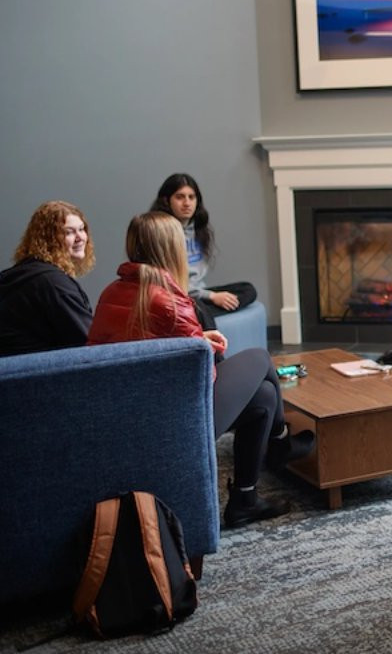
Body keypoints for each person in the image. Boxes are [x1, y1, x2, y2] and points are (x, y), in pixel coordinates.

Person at [88, 212, 314, 529]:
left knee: (264, 397)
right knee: (260, 359)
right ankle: (281, 441)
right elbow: (204, 374)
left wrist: (198, 341)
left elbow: (151, 348)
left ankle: (245, 501)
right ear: (170, 249)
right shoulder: (168, 301)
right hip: (175, 421)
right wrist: (205, 348)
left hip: (131, 415)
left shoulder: (112, 292)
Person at [0, 201, 95, 358]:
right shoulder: (52, 283)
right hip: (23, 373)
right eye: (69, 232)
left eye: (82, 230)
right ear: (49, 240)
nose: (80, 238)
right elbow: (89, 341)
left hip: (2, 366)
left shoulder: (32, 271)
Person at [151, 173, 257, 330]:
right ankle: (207, 333)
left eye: (191, 197)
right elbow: (170, 283)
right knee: (198, 308)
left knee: (248, 290)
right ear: (167, 201)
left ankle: (198, 313)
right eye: (180, 197)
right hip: (176, 297)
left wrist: (209, 296)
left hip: (198, 294)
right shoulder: (160, 232)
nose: (187, 203)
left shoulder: (199, 230)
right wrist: (212, 297)